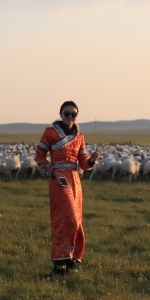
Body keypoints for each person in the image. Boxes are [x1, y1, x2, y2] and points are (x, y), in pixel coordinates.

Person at [34, 101, 99, 275]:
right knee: (65, 218)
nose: (70, 117)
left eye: (73, 114)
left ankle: (69, 260)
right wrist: (52, 170)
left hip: (74, 180)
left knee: (76, 221)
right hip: (59, 180)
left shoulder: (80, 136)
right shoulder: (50, 132)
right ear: (61, 114)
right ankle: (58, 260)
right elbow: (39, 156)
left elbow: (83, 163)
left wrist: (91, 161)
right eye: (67, 113)